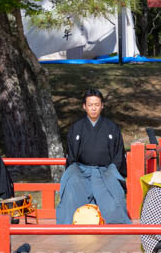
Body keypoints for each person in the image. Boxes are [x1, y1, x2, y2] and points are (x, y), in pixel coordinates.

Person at [55, 89, 131, 224]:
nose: (94, 108)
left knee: (115, 193)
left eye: (97, 105)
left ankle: (117, 224)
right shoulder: (77, 128)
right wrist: (74, 169)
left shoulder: (111, 127)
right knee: (71, 185)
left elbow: (118, 154)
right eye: (90, 105)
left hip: (106, 171)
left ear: (102, 106)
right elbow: (71, 155)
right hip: (81, 170)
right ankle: (68, 223)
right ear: (84, 106)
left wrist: (113, 169)